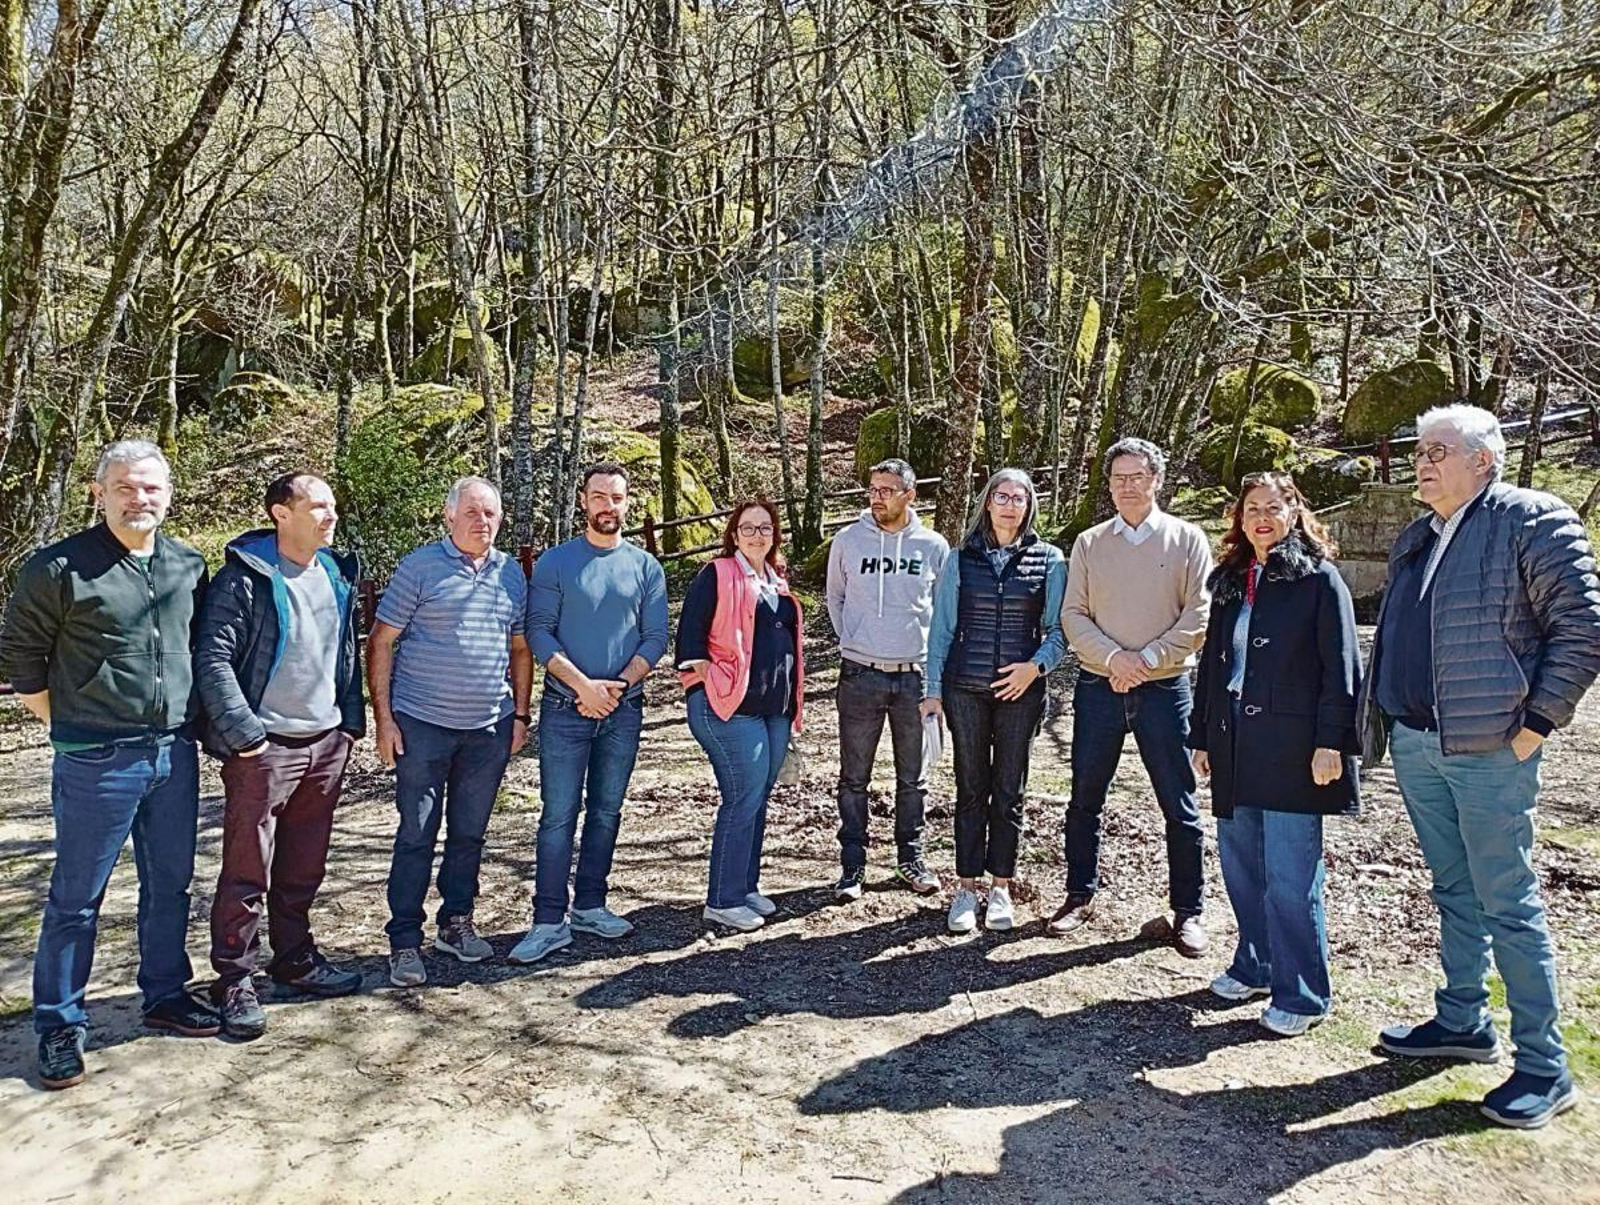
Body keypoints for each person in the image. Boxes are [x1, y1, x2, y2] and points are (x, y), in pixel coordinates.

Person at [1361, 402, 1600, 1129]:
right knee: (1454, 890)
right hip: (1419, 743)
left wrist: (1536, 724)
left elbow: (1583, 626)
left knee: (1510, 902)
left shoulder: (1531, 518)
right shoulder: (1421, 535)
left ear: (1483, 461)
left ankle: (1544, 1065)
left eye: (1438, 450)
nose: (1422, 462)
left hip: (1492, 747)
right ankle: (1462, 1022)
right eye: (1420, 450)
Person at [0, 440, 217, 1089]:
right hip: (95, 758)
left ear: (169, 494)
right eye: (124, 486)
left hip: (173, 753)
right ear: (98, 492)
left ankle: (165, 993)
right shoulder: (59, 566)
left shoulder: (186, 564)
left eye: (151, 487)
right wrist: (66, 722)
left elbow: (197, 649)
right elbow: (19, 654)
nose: (138, 497)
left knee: (171, 883)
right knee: (77, 896)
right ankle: (59, 1022)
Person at [1187, 472, 1361, 1037]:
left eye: (1274, 506)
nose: (1262, 517)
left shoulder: (1319, 580)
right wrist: (1202, 737)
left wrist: (1331, 742)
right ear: (1239, 518)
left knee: (1291, 875)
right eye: (1252, 508)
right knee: (1241, 866)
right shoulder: (1233, 580)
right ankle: (1255, 965)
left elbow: (1342, 668)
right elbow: (1214, 664)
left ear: (1294, 513)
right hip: (1233, 740)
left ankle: (1303, 994)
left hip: (1295, 748)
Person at [195, 473, 366, 1040]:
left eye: (333, 506)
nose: (330, 516)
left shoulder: (337, 573)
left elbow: (346, 653)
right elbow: (213, 658)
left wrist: (348, 724)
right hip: (264, 750)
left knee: (304, 865)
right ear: (279, 514)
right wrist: (246, 736)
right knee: (247, 869)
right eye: (317, 506)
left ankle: (294, 959)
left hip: (325, 743)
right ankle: (234, 978)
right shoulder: (243, 579)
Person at [368, 476, 533, 987]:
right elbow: (380, 643)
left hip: (488, 729)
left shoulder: (511, 575)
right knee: (416, 833)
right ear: (449, 517)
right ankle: (403, 941)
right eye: (471, 513)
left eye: (490, 514)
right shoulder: (420, 568)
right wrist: (385, 720)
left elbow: (521, 649)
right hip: (422, 726)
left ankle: (456, 923)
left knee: (469, 833)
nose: (481, 522)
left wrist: (521, 715)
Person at [1052, 437, 1213, 956]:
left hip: (1166, 690)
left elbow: (1199, 615)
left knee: (1179, 804)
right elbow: (1073, 614)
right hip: (1100, 688)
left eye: (1137, 476)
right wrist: (1116, 659)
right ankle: (1080, 894)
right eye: (1118, 477)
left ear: (1157, 480)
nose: (1127, 486)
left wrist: (1144, 660)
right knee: (1084, 798)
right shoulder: (1090, 543)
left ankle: (1188, 911)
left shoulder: (1187, 540)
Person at [509, 464, 669, 965]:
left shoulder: (646, 567)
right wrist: (583, 687)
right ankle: (548, 919)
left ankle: (591, 906)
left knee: (606, 811)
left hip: (623, 709)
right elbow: (539, 631)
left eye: (616, 497)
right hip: (565, 709)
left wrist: (618, 687)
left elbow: (655, 637)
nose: (608, 506)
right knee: (558, 816)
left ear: (627, 503)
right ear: (583, 501)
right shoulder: (557, 563)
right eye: (598, 496)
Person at [922, 468, 1067, 935]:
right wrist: (932, 691)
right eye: (1001, 495)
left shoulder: (1049, 560)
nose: (1009, 504)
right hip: (965, 690)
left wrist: (1035, 668)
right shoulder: (960, 558)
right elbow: (941, 631)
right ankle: (965, 887)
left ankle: (1001, 886)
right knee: (970, 788)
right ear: (987, 502)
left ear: (1029, 506)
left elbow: (1059, 632)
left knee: (1010, 790)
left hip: (1021, 694)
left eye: (1018, 497)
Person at [676, 499, 805, 932]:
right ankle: (723, 899)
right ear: (733, 534)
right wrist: (711, 684)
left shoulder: (776, 581)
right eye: (747, 528)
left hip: (773, 711)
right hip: (729, 709)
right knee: (743, 795)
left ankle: (745, 886)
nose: (756, 535)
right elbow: (690, 640)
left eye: (765, 527)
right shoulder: (717, 573)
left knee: (757, 797)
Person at [826, 458, 950, 900]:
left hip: (914, 678)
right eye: (873, 488)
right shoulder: (848, 540)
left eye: (887, 489)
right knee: (853, 777)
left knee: (912, 778)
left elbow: (942, 615)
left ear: (909, 495)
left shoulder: (934, 546)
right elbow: (835, 598)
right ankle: (852, 867)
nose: (877, 497)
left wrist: (932, 676)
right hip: (860, 675)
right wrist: (858, 642)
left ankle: (910, 859)